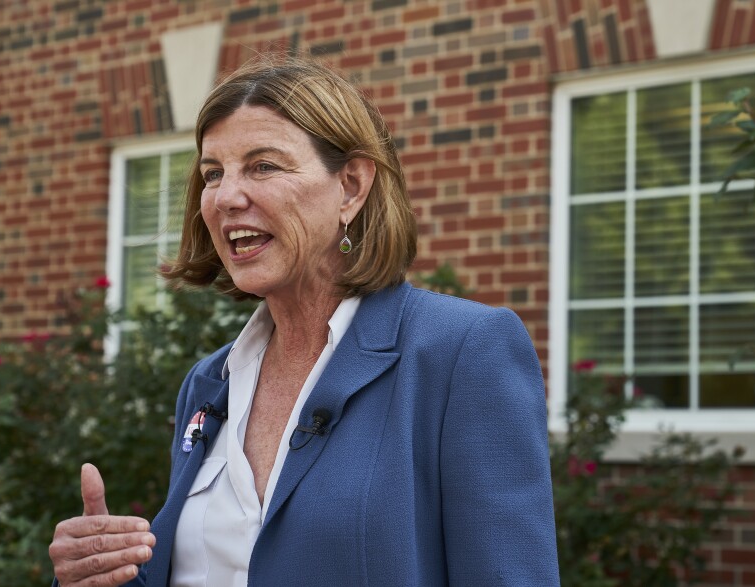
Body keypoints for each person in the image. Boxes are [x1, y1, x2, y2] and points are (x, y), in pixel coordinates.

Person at [48, 54, 560, 586]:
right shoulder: (208, 383)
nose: (226, 197)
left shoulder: (461, 352)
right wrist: (100, 575)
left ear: (352, 186)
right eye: (212, 174)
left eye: (263, 166)